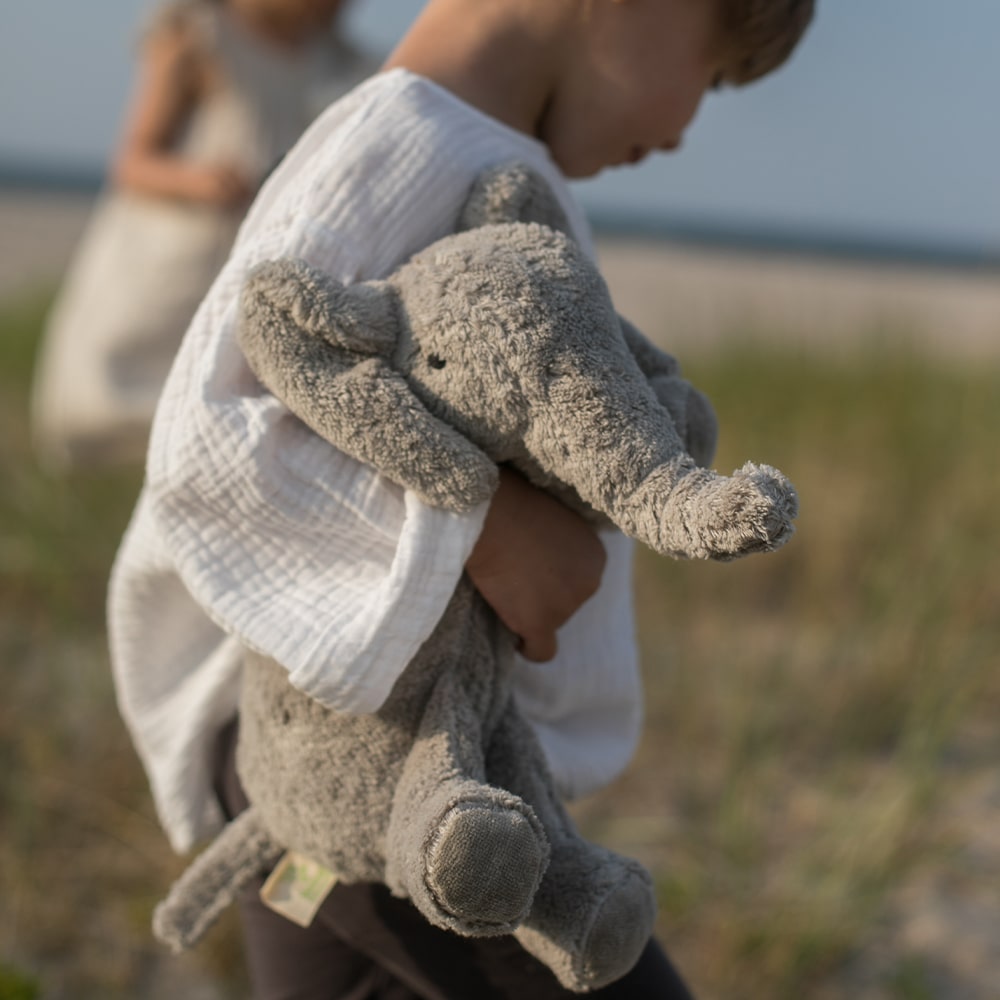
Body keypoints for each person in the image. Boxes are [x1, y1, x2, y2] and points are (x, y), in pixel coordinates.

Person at [108, 0, 815, 996]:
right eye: (715, 69)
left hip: (410, 755)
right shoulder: (394, 141)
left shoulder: (479, 155)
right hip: (365, 764)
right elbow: (207, 441)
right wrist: (482, 527)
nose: (683, 130)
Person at [31, 0, 376, 471]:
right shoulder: (199, 36)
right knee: (124, 379)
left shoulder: (338, 58)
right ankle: (92, 474)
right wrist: (198, 181)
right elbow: (133, 160)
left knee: (218, 384)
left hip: (255, 253)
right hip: (175, 250)